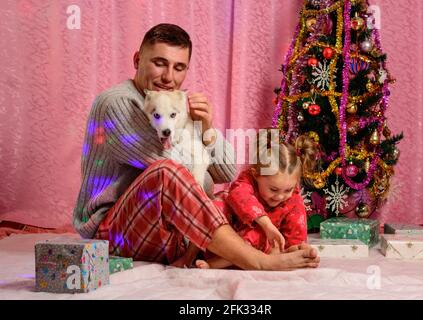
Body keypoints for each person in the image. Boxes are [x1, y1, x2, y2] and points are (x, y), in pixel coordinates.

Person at [73, 23, 320, 270]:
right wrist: (196, 137)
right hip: (115, 233)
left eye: (179, 67)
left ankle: (278, 245)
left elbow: (227, 173)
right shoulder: (116, 103)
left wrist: (207, 129)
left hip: (167, 228)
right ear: (138, 60)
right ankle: (259, 261)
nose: (169, 77)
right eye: (159, 63)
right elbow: (174, 169)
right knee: (166, 171)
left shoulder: (176, 101)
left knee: (233, 199)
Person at [195, 132, 318, 269]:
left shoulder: (294, 202)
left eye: (288, 190)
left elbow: (295, 236)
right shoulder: (247, 180)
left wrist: (297, 250)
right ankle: (191, 253)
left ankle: (215, 265)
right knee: (212, 206)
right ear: (256, 175)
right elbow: (239, 195)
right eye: (274, 190)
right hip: (225, 236)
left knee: (258, 235)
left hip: (258, 248)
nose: (280, 196)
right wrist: (266, 224)